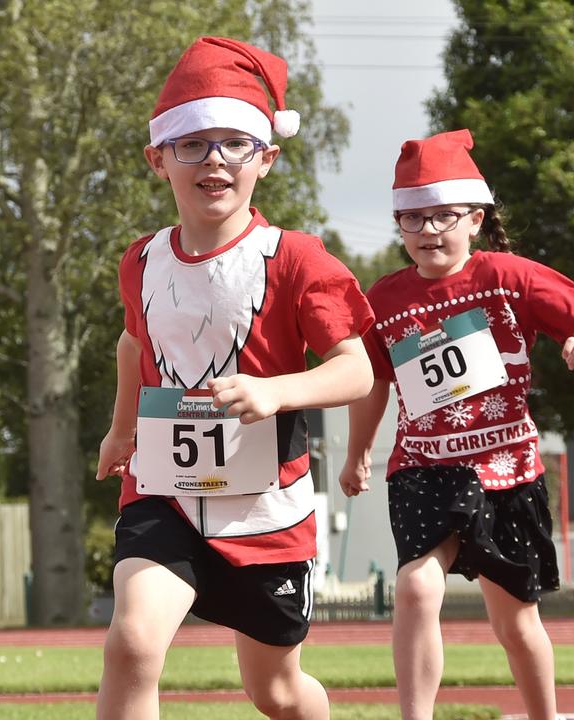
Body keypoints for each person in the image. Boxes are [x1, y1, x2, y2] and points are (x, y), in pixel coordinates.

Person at [93, 36, 374, 720]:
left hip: (265, 510)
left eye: (234, 143)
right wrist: (121, 430)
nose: (213, 158)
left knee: (276, 693)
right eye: (191, 143)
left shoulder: (298, 259)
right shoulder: (141, 261)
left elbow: (356, 369)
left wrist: (276, 391)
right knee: (132, 641)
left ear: (266, 160)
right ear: (157, 158)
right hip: (164, 489)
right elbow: (134, 343)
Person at [339, 129, 574, 720]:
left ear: (476, 218)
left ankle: (546, 715)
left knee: (515, 619)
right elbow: (373, 381)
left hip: (508, 468)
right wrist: (357, 452)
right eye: (413, 219)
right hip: (424, 466)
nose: (427, 231)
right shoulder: (383, 300)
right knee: (415, 587)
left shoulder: (508, 276)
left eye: (443, 216)